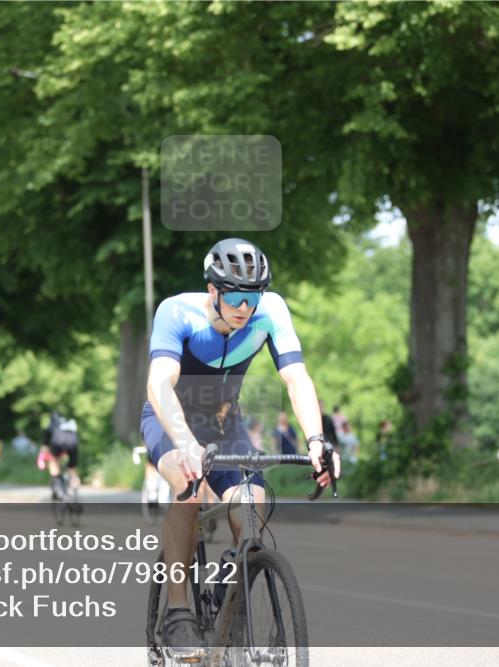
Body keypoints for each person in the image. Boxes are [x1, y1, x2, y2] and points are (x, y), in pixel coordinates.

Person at [141, 238, 339, 657]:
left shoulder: (271, 312)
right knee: (187, 484)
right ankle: (178, 614)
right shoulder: (177, 312)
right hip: (170, 419)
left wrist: (318, 440)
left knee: (254, 497)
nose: (244, 307)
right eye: (234, 295)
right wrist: (187, 444)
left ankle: (231, 579)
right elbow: (160, 382)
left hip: (224, 422)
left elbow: (296, 378)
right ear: (213, 289)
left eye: (252, 297)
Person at [41, 410, 80, 499]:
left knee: (53, 461)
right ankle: (75, 492)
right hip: (73, 442)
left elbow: (45, 446)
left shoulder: (52, 424)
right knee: (72, 468)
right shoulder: (69, 423)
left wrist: (43, 454)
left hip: (58, 441)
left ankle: (57, 483)